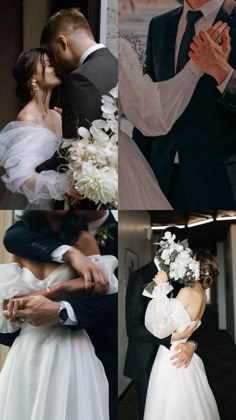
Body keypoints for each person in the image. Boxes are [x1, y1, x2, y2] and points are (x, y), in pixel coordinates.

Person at [0, 211, 118, 420]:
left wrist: (54, 292)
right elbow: (8, 306)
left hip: (70, 345)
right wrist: (60, 287)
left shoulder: (85, 240)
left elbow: (100, 286)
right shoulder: (19, 243)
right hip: (27, 350)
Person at [132, 0, 236, 210]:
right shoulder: (159, 26)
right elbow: (150, 103)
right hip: (161, 176)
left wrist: (223, 73)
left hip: (221, 180)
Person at [124, 228, 199, 420]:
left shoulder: (181, 280)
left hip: (173, 362)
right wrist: (172, 338)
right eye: (183, 254)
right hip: (146, 360)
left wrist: (191, 345)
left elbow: (189, 322)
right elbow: (133, 329)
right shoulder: (140, 277)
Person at [143, 251, 220, 420]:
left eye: (189, 261)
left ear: (196, 268)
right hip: (182, 352)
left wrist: (161, 290)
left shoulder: (187, 291)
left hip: (171, 356)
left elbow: (160, 329)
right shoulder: (200, 294)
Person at [0, 48, 71, 209]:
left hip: (58, 201)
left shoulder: (57, 116)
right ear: (33, 76)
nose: (55, 69)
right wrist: (67, 184)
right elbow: (23, 178)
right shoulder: (27, 117)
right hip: (37, 203)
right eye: (48, 65)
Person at [41, 8, 118, 138]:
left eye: (53, 54)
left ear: (62, 42)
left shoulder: (80, 79)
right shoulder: (116, 64)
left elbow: (75, 151)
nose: (55, 62)